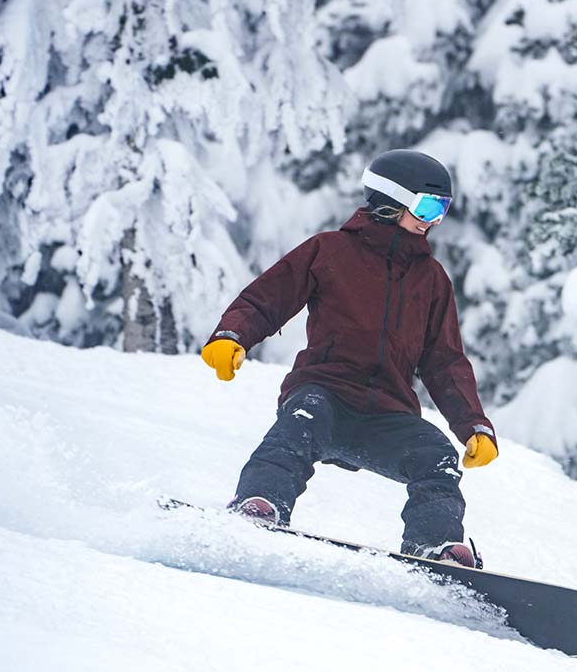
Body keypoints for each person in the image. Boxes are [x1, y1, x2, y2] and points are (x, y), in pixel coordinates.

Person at [200, 149, 498, 568]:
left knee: (437, 456)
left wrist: (473, 425)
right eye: (428, 205)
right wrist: (232, 336)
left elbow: (444, 360)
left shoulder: (431, 279)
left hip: (386, 416)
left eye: (442, 209)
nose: (433, 219)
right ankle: (260, 503)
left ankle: (433, 546)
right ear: (392, 201)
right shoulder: (330, 251)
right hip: (326, 392)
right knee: (299, 425)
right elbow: (268, 297)